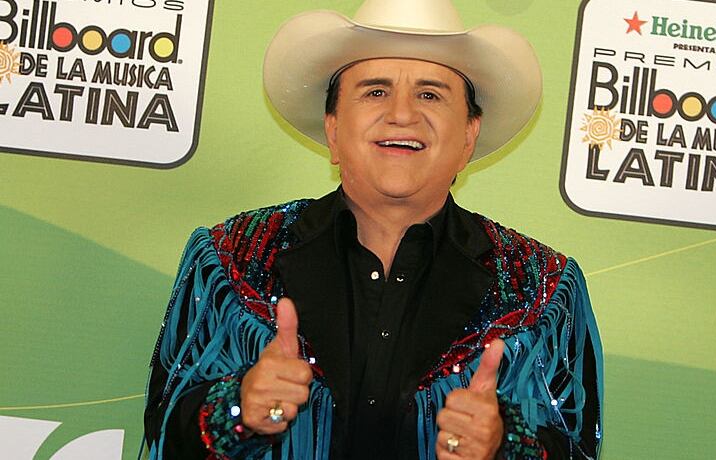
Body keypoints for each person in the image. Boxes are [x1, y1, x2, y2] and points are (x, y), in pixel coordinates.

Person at [143, 0, 604, 458]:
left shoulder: (540, 289)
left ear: (468, 137)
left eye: (430, 94)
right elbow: (166, 434)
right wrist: (237, 410)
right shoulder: (232, 259)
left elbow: (574, 447)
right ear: (333, 130)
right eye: (375, 91)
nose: (402, 114)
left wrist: (505, 444)